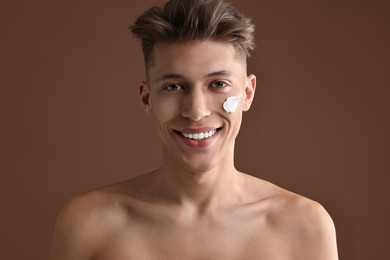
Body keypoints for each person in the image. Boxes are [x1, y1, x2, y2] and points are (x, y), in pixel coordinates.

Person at [49, 0, 338, 259]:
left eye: (217, 84)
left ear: (247, 93)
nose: (196, 111)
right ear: (147, 98)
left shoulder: (305, 226)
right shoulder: (89, 224)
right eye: (173, 87)